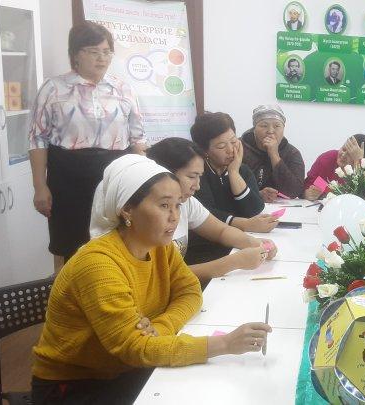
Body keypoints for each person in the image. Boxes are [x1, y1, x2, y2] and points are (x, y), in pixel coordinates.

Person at [32, 155, 271, 404]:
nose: (174, 216)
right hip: (77, 385)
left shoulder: (159, 245)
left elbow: (190, 291)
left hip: (126, 369)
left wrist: (159, 327)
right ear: (127, 209)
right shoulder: (99, 264)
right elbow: (135, 349)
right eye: (164, 205)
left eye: (178, 205)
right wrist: (225, 344)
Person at [28, 22, 147, 271]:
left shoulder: (123, 88)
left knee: (117, 241)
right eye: (94, 51)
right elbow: (37, 139)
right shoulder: (53, 88)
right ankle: (70, 293)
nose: (102, 58)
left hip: (115, 175)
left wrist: (143, 182)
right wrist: (40, 186)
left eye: (107, 52)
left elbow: (137, 138)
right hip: (68, 176)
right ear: (75, 54)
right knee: (71, 245)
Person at [146, 137, 277, 278]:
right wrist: (233, 262)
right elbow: (163, 277)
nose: (197, 186)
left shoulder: (186, 202)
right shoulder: (147, 215)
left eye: (199, 177)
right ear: (165, 173)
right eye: (192, 177)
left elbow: (221, 231)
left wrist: (253, 242)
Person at [189, 112, 279, 257]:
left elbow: (255, 210)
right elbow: (205, 212)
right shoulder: (197, 174)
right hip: (207, 249)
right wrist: (245, 224)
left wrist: (234, 173)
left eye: (233, 141)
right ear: (204, 151)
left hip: (241, 243)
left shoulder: (242, 170)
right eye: (221, 146)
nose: (231, 150)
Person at [241, 104, 305, 202]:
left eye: (277, 126)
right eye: (264, 126)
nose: (270, 131)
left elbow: (295, 191)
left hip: (284, 208)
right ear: (254, 128)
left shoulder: (292, 153)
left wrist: (274, 155)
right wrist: (257, 194)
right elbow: (228, 185)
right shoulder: (239, 148)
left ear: (283, 128)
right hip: (246, 206)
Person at [302, 134, 365, 201]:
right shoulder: (328, 159)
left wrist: (358, 162)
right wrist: (307, 193)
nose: (343, 155)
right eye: (343, 149)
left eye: (350, 154)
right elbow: (310, 185)